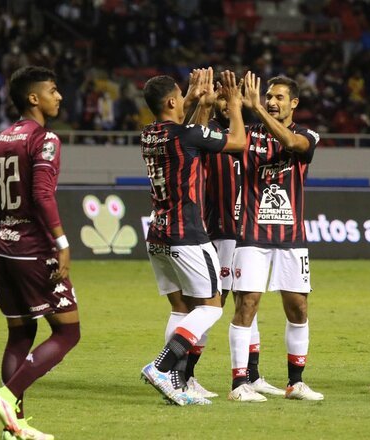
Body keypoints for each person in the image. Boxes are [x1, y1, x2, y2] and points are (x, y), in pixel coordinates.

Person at [138, 70, 247, 406]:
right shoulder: (187, 135)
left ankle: (177, 382)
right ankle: (162, 367)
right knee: (212, 307)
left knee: (180, 309)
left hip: (156, 232)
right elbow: (239, 143)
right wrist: (237, 106)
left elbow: (180, 123)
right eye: (180, 95)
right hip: (186, 233)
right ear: (172, 101)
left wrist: (194, 98)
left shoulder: (149, 135)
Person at [0, 66, 80, 440]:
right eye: (53, 90)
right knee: (68, 332)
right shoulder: (45, 138)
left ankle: (14, 427)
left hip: (5, 249)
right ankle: (7, 397)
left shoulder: (0, 141)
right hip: (35, 249)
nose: (60, 97)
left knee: (20, 334)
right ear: (33, 98)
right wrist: (63, 244)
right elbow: (42, 196)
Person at [228, 73, 323, 402]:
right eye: (268, 96)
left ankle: (295, 383)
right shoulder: (248, 136)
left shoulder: (307, 135)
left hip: (292, 239)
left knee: (298, 308)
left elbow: (293, 145)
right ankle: (240, 384)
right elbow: (228, 139)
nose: (271, 101)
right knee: (247, 306)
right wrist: (238, 107)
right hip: (252, 236)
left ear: (294, 103)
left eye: (279, 97)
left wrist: (258, 110)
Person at [201, 87, 285, 397]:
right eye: (222, 98)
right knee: (212, 304)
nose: (227, 104)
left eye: (231, 97)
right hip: (221, 231)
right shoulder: (209, 136)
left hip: (249, 232)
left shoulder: (253, 136)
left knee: (249, 305)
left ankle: (252, 375)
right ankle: (186, 374)